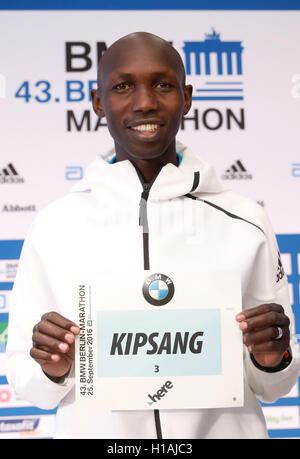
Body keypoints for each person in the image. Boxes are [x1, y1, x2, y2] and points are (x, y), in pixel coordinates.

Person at [5, 32, 300, 439]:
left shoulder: (245, 219)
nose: (144, 102)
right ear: (97, 102)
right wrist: (52, 368)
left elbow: (276, 385)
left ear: (187, 97)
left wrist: (272, 358)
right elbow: (26, 380)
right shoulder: (56, 226)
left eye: (163, 84)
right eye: (123, 86)